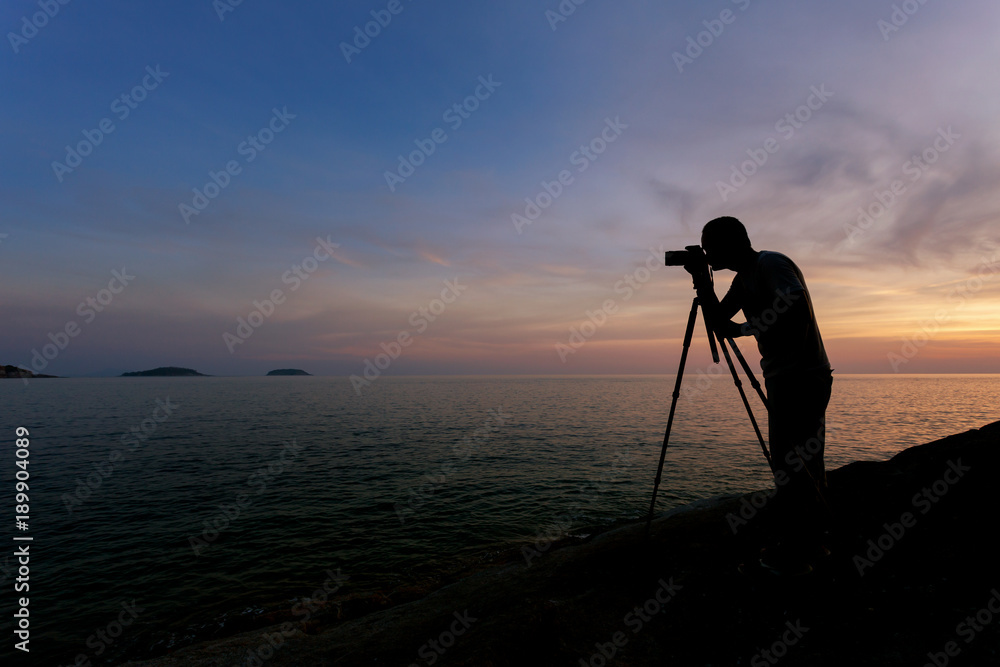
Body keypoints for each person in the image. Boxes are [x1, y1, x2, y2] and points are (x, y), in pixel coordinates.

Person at [684, 216, 833, 575]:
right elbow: (721, 322)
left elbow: (793, 302)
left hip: (802, 377)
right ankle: (809, 542)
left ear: (731, 243)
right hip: (783, 377)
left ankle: (807, 551)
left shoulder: (771, 263)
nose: (706, 253)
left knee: (794, 464)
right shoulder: (741, 279)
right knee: (790, 463)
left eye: (709, 247)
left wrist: (749, 327)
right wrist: (703, 282)